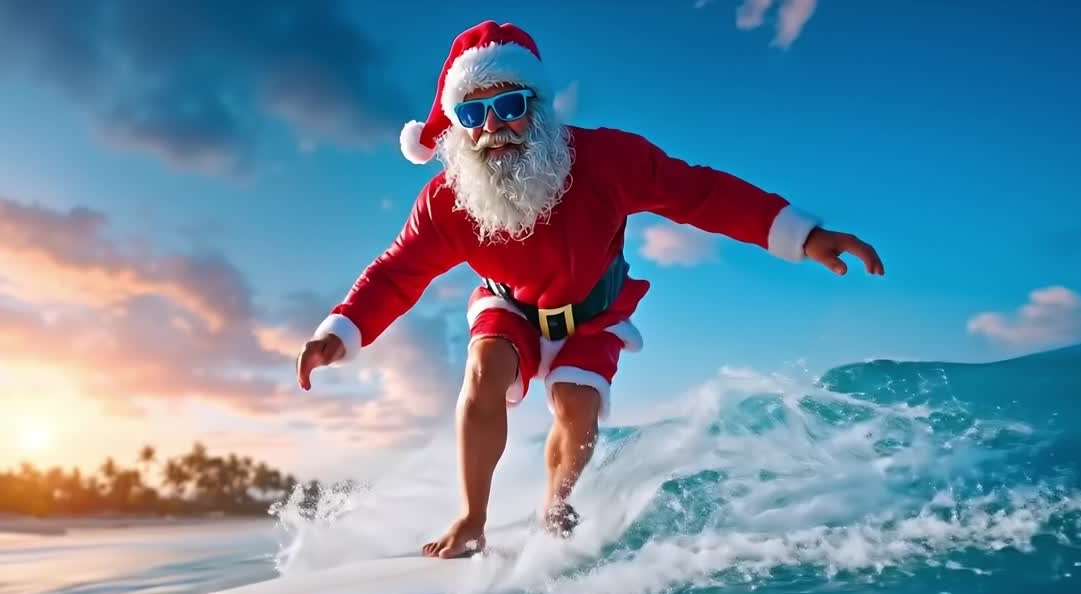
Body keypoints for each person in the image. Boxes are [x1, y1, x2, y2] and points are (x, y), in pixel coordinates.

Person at [296, 21, 884, 558]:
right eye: (473, 115)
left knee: (575, 405)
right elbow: (397, 272)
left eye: (509, 105)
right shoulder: (448, 202)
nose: (494, 127)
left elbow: (699, 194)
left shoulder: (605, 160)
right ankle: (473, 518)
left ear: (539, 106)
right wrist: (341, 330)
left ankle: (557, 505)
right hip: (512, 307)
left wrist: (802, 234)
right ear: (456, 127)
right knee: (484, 366)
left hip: (596, 310)